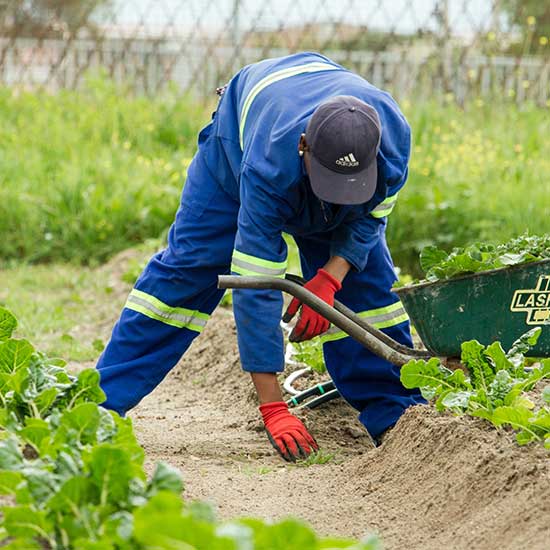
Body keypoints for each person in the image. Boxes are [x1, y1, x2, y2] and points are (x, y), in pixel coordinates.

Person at [96, 52, 425, 462]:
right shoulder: (268, 164)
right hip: (237, 147)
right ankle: (100, 405)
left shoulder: (392, 143)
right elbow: (257, 286)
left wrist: (331, 278)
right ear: (303, 147)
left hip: (319, 138)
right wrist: (273, 405)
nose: (336, 196)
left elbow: (371, 218)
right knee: (188, 271)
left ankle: (397, 415)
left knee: (366, 289)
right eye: (329, 183)